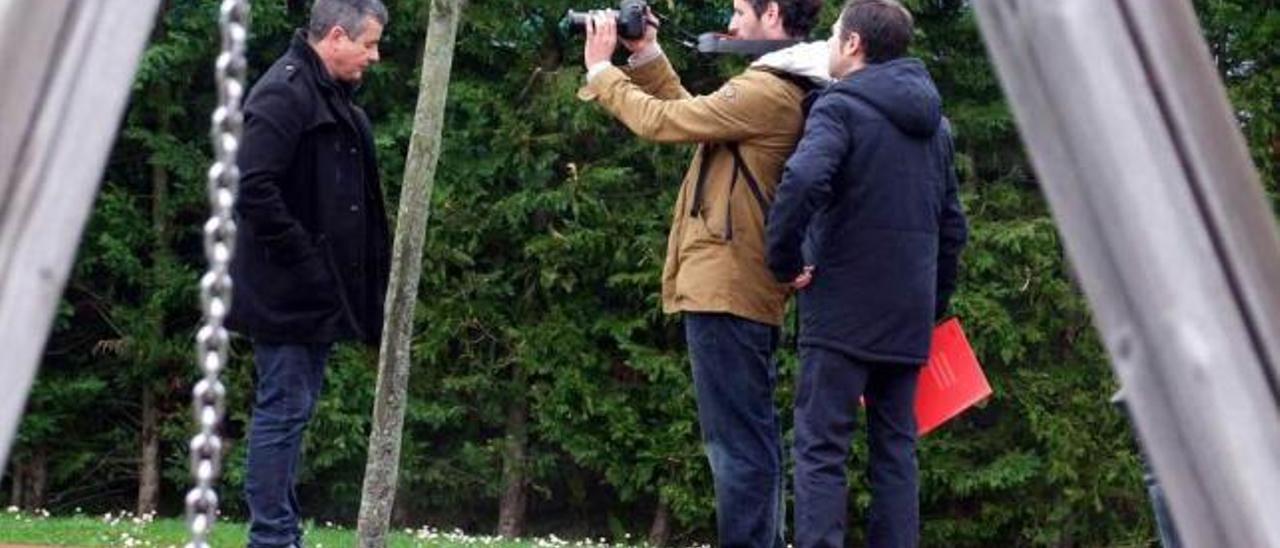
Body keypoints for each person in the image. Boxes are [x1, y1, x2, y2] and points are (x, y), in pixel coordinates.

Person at [578, 1, 827, 545]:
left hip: (728, 287)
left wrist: (602, 70)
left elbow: (664, 122)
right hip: (738, 285)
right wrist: (646, 56)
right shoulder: (785, 83)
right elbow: (700, 120)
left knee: (738, 448)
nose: (733, 23)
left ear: (774, 12)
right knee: (750, 441)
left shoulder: (769, 89)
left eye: (741, 10)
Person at [765, 1, 968, 546]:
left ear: (854, 44)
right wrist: (928, 308)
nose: (831, 44)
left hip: (840, 313)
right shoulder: (937, 127)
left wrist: (784, 262)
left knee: (821, 450)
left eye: (835, 35)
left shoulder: (839, 108)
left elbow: (803, 180)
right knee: (896, 452)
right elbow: (953, 229)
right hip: (906, 318)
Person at [226, 1, 390, 546]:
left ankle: (281, 531)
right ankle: (271, 537)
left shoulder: (327, 95)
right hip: (287, 295)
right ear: (337, 37)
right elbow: (252, 188)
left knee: (291, 415)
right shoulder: (284, 93)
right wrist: (308, 261)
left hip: (313, 295)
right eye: (368, 44)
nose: (375, 55)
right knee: (282, 414)